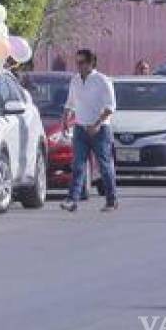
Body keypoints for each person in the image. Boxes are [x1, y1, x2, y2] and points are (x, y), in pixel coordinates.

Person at [61, 49, 119, 213]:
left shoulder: (102, 80)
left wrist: (97, 124)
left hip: (100, 130)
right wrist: (65, 119)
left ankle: (111, 199)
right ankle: (72, 200)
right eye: (77, 62)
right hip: (80, 128)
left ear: (91, 63)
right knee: (78, 165)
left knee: (104, 165)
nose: (78, 66)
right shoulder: (75, 80)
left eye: (82, 62)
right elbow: (70, 103)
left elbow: (111, 106)